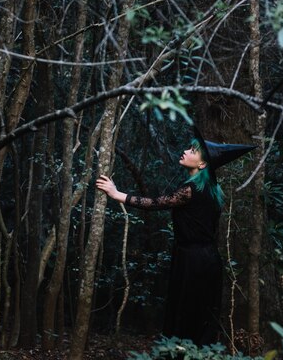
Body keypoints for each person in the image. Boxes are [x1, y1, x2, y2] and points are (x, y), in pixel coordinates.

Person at [96, 126, 255, 346]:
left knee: (188, 313)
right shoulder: (211, 189)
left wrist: (116, 194)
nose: (186, 151)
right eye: (189, 147)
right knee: (197, 314)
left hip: (194, 261)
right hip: (205, 259)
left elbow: (155, 203)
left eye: (193, 150)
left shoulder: (191, 189)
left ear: (202, 164)